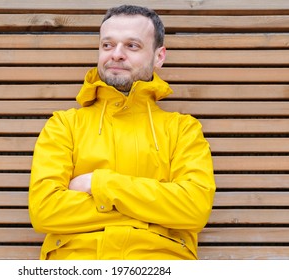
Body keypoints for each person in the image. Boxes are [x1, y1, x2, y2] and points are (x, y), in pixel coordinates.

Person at [29, 4, 216, 260]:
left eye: (132, 46)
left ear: (159, 56)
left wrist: (97, 183)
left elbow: (194, 209)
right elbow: (45, 211)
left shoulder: (183, 130)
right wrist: (155, 213)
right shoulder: (64, 125)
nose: (116, 54)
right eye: (107, 45)